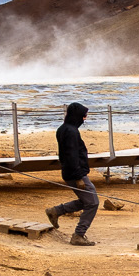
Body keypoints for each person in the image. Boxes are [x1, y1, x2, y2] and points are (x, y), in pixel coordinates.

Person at [43, 102, 98, 245]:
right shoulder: (71, 131)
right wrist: (79, 177)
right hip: (75, 173)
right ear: (77, 116)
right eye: (83, 116)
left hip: (70, 171)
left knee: (86, 201)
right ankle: (78, 235)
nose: (84, 119)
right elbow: (71, 155)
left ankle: (56, 211)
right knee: (93, 203)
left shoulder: (64, 129)